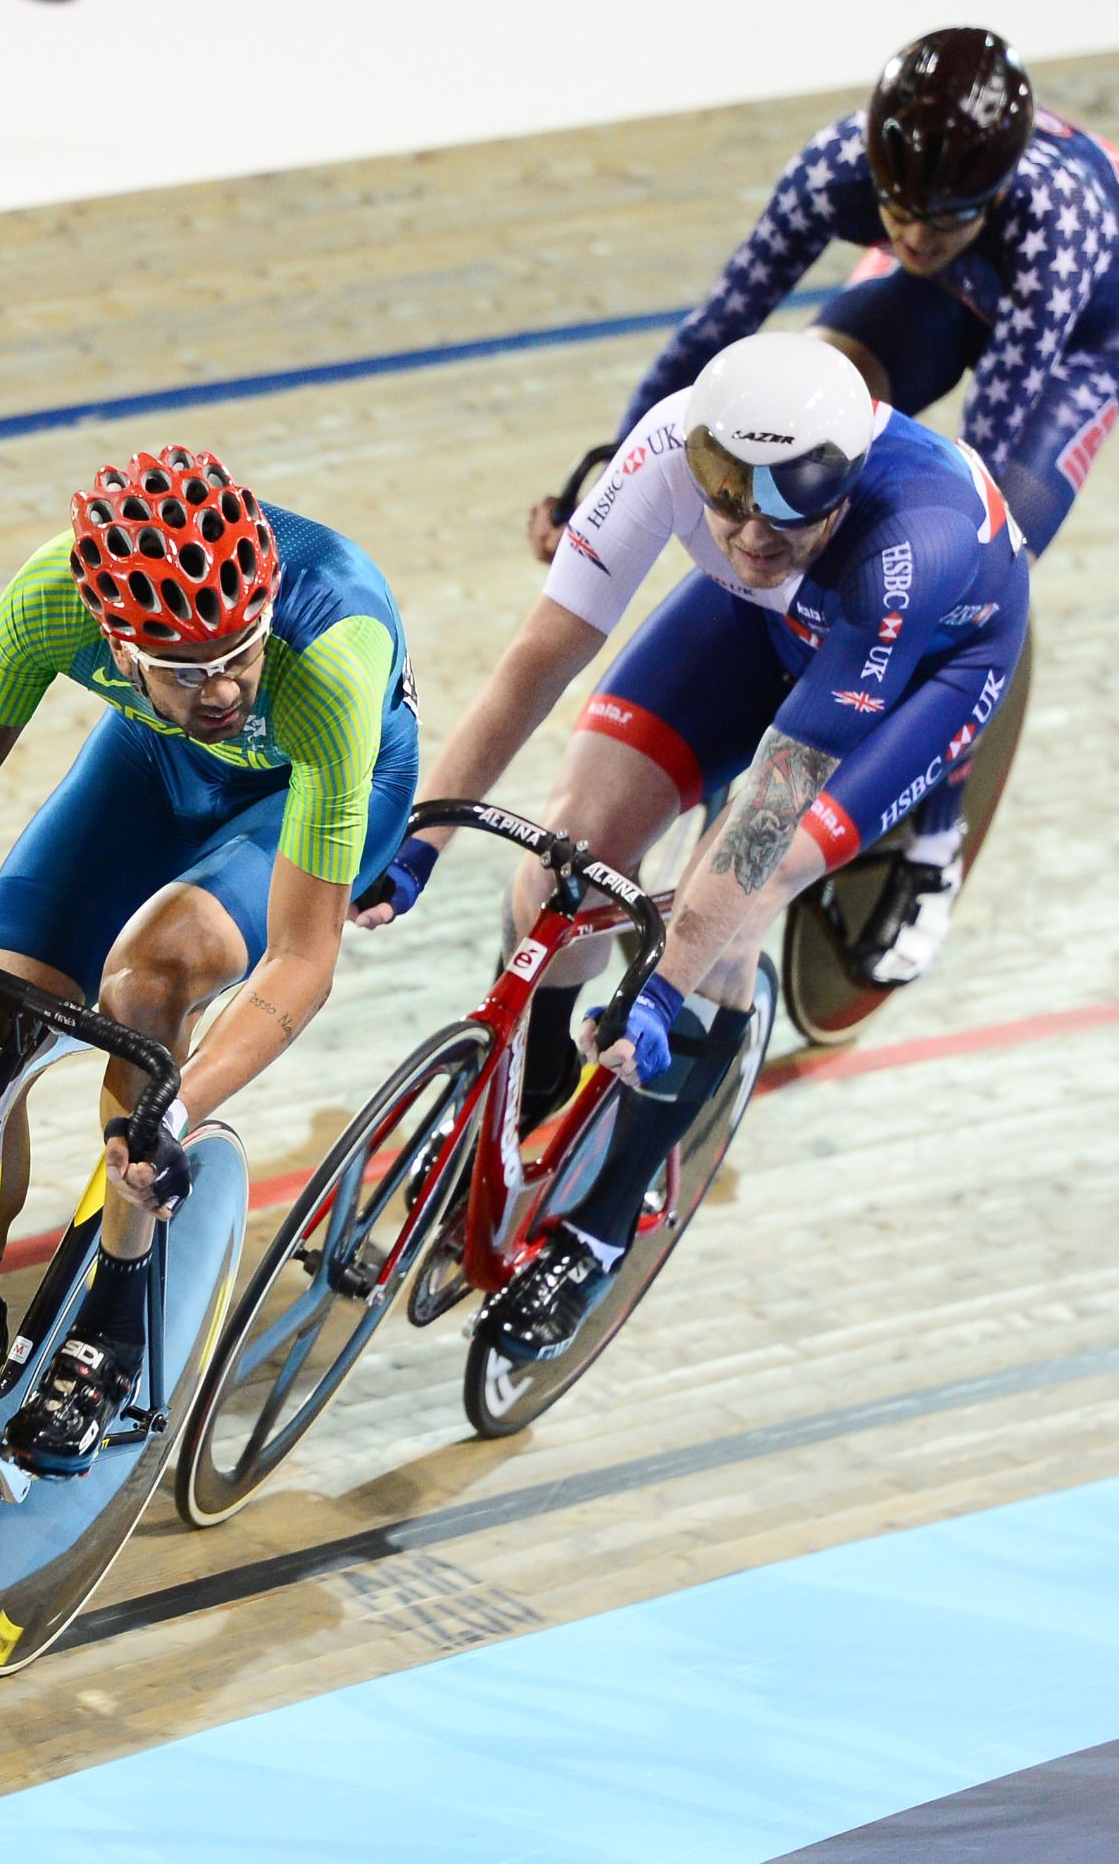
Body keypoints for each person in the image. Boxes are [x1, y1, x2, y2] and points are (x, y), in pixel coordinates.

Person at [0, 447, 417, 1472]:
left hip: (320, 781)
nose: (227, 686)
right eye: (189, 667)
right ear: (113, 634)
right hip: (153, 757)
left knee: (153, 973)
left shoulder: (325, 664)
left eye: (239, 651)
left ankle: (118, 1312)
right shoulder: (47, 599)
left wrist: (175, 1109)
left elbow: (300, 961)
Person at [364, 333, 1025, 1358]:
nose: (752, 531)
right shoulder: (665, 447)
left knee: (722, 929)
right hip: (759, 626)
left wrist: (662, 986)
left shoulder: (905, 550)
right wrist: (422, 837)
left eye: (788, 504)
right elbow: (537, 662)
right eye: (726, 496)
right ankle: (530, 1089)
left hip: (920, 669)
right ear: (699, 455)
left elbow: (772, 800)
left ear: (843, 482)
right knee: (561, 858)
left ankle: (594, 1234)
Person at [523, 26, 1119, 984]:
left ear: (991, 196)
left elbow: (976, 461)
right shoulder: (836, 167)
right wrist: (612, 460)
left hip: (1074, 339)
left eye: (939, 221)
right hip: (949, 292)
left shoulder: (1054, 231)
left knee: (990, 546)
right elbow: (725, 327)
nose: (911, 237)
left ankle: (934, 828)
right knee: (812, 393)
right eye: (899, 214)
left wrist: (904, 574)